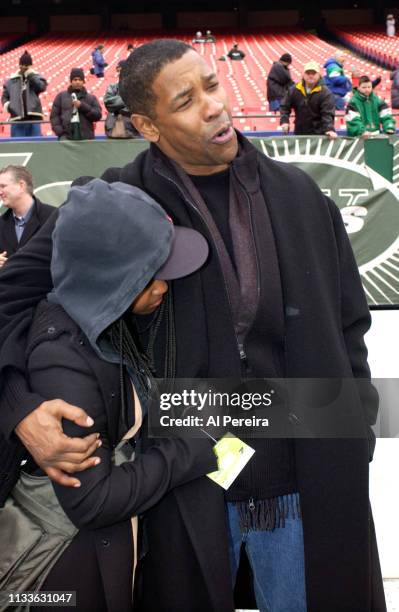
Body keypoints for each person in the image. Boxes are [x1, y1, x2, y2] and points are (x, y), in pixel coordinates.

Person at [0, 40, 386, 612]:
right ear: (147, 125)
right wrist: (18, 407)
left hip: (309, 476)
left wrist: (356, 434)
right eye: (186, 100)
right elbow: (10, 298)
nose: (214, 106)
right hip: (182, 483)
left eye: (211, 84)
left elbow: (351, 327)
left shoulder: (302, 196)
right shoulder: (112, 202)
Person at [0, 177, 215, 609]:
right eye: (153, 275)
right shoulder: (62, 359)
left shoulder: (101, 324)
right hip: (63, 574)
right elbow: (93, 501)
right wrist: (199, 447)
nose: (165, 287)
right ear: (113, 276)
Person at [0, 165, 54, 267]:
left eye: (3, 186)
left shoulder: (53, 218)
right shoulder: (1, 224)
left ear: (21, 185)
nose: (0, 192)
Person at [280, 61, 337, 138]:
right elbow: (284, 106)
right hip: (300, 133)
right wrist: (284, 121)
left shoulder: (325, 93)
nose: (310, 76)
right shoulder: (294, 90)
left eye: (313, 73)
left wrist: (329, 129)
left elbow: (327, 114)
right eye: (308, 73)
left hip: (319, 135)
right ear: (303, 75)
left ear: (319, 75)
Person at [1, 50, 47, 137]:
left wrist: (30, 75)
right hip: (17, 119)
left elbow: (41, 87)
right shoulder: (11, 81)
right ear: (19, 65)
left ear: (31, 66)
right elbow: (4, 97)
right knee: (18, 146)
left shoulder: (36, 77)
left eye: (27, 65)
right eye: (22, 64)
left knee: (35, 146)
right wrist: (9, 106)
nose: (24, 67)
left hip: (34, 118)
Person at [50, 68, 102, 141]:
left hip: (86, 138)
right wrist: (61, 133)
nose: (77, 82)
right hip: (66, 138)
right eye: (75, 79)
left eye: (80, 80)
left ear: (83, 81)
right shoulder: (61, 96)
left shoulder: (91, 98)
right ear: (71, 81)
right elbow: (54, 117)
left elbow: (97, 115)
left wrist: (82, 106)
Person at [104, 60, 139, 139]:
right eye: (119, 71)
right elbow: (108, 103)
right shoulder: (112, 87)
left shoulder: (136, 88)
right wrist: (126, 99)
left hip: (131, 129)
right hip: (112, 129)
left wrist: (117, 107)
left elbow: (136, 107)